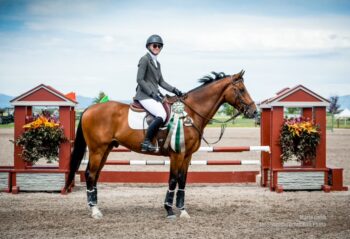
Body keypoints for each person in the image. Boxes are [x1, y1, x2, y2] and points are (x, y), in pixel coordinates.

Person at [134, 34, 183, 152]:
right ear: (149, 46)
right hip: (145, 95)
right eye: (154, 45)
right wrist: (151, 93)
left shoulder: (157, 63)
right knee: (161, 114)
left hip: (154, 96)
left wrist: (175, 90)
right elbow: (139, 80)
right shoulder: (144, 59)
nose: (157, 48)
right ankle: (146, 142)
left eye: (159, 46)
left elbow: (161, 82)